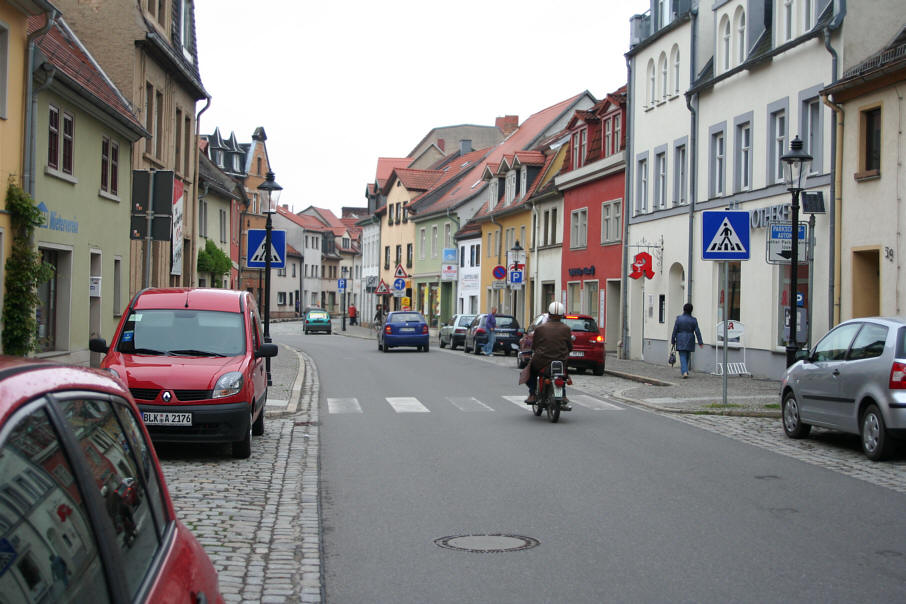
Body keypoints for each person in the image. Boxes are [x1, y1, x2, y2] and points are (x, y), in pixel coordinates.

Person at [525, 302, 573, 408]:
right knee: (563, 374)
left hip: (542, 361)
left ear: (549, 314)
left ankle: (532, 394)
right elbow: (570, 347)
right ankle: (563, 395)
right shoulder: (567, 329)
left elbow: (535, 345)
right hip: (560, 361)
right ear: (562, 315)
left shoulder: (540, 328)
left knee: (530, 371)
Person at [671, 302, 704, 378]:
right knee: (687, 355)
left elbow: (675, 330)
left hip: (680, 339)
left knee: (682, 355)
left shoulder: (679, 319)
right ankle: (685, 370)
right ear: (691, 310)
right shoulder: (694, 320)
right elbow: (697, 331)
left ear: (684, 309)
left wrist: (673, 340)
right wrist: (700, 342)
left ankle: (684, 371)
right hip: (690, 338)